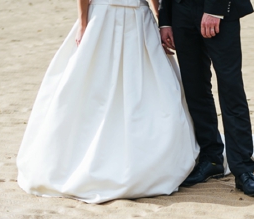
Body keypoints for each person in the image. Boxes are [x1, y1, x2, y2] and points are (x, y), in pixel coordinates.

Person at [17, 0, 198, 203]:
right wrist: (83, 24)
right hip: (102, 19)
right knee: (93, 88)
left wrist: (161, 21)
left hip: (138, 20)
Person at [158, 0, 254, 196]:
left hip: (219, 11)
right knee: (195, 89)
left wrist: (215, 10)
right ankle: (212, 159)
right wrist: (165, 20)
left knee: (231, 89)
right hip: (180, 12)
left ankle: (243, 170)